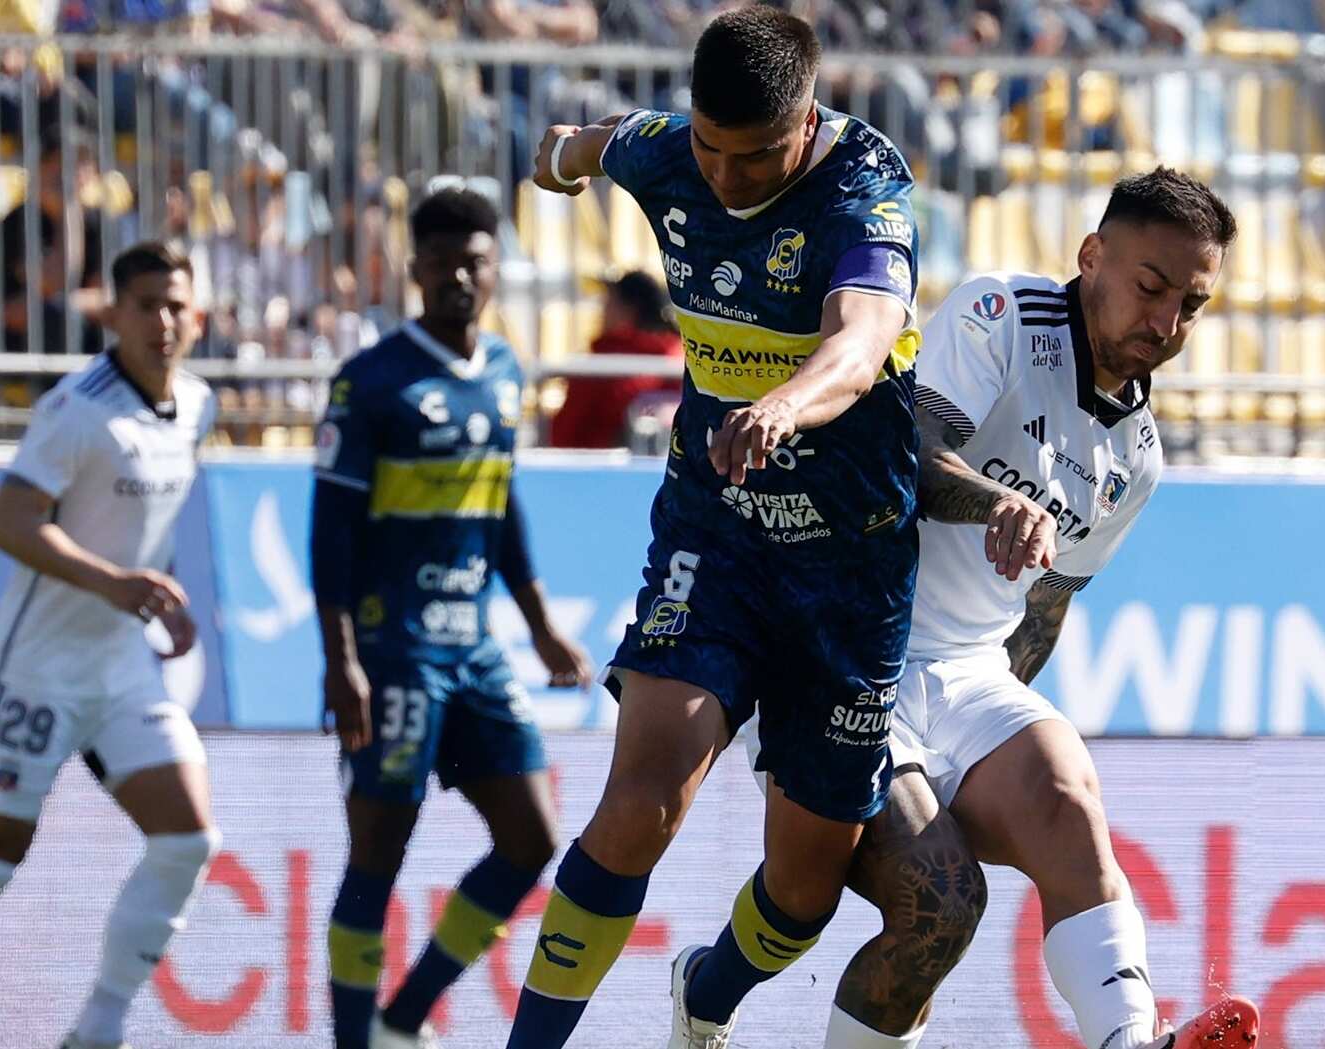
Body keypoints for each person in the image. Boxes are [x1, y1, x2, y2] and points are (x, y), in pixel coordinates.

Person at [504, 8, 925, 1048]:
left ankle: (710, 985)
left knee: (804, 888)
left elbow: (865, 339)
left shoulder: (866, 189)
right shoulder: (666, 152)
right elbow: (597, 142)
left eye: (756, 158)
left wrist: (786, 403)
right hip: (718, 525)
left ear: (808, 120)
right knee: (644, 792)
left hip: (851, 560)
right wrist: (557, 158)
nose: (727, 179)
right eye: (711, 150)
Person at [813, 168, 1261, 1049]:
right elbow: (912, 451)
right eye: (1150, 287)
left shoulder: (1138, 456)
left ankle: (1132, 1039)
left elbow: (1042, 617)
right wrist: (1000, 503)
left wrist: (973, 767)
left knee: (1064, 789)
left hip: (966, 672)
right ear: (1092, 257)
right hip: (842, 648)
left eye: (1191, 306)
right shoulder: (1003, 316)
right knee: (940, 905)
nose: (1166, 325)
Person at [0, 242, 221, 1049]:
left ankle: (99, 1027)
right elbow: (9, 521)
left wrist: (161, 591)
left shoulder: (198, 405)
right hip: (37, 671)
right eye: (147, 304)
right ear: (113, 314)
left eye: (177, 305)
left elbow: (142, 528)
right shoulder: (77, 408)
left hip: (122, 665)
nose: (164, 321)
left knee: (189, 835)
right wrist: (116, 583)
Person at [310, 186, 593, 1049]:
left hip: (474, 647)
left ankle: (405, 1014)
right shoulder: (372, 383)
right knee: (377, 857)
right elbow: (330, 531)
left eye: (475, 262)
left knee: (531, 837)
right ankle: (355, 1041)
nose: (460, 277)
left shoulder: (505, 371)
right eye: (443, 264)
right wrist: (342, 660)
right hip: (392, 650)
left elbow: (501, 509)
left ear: (495, 269)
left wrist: (540, 623)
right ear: (415, 271)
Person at [548, 270, 683, 449]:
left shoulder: (599, 366)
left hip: (598, 472)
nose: (601, 311)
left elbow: (563, 436)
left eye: (608, 302)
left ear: (630, 309)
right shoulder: (682, 355)